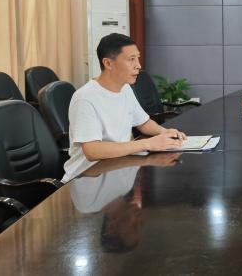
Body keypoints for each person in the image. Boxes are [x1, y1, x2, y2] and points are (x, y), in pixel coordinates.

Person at [62, 33, 186, 182]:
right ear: (108, 63)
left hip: (115, 170)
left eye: (137, 58)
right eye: (131, 59)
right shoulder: (85, 98)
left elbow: (143, 123)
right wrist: (147, 144)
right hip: (86, 179)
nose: (138, 65)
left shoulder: (125, 88)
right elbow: (92, 151)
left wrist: (165, 132)